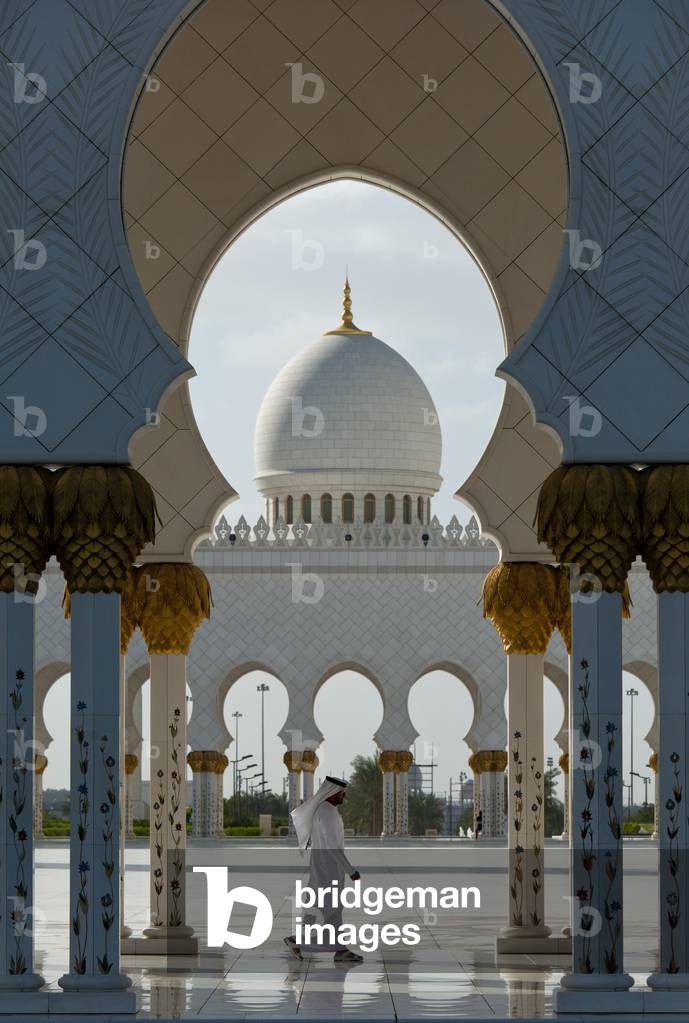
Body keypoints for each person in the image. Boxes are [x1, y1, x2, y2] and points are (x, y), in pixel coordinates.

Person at [284, 775, 363, 964]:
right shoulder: (326, 812)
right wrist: (350, 870)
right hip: (328, 867)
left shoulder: (327, 810)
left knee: (321, 908)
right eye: (342, 793)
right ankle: (334, 948)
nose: (344, 796)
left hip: (324, 866)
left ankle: (304, 941)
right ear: (333, 792)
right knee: (330, 908)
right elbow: (331, 845)